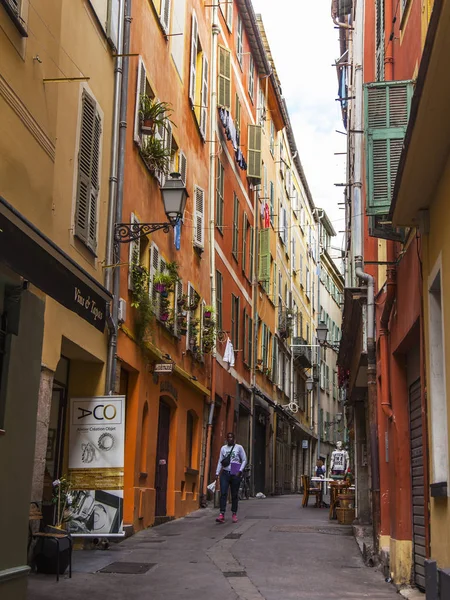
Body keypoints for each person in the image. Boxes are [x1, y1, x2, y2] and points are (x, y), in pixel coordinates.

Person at [215, 432, 247, 523]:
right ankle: (222, 514)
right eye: (228, 437)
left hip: (235, 472)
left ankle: (234, 513)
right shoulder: (223, 448)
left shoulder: (239, 448)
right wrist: (217, 472)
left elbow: (244, 459)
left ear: (234, 439)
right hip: (225, 473)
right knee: (223, 493)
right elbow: (220, 461)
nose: (230, 439)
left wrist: (240, 470)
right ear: (226, 439)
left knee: (234, 494)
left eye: (231, 437)